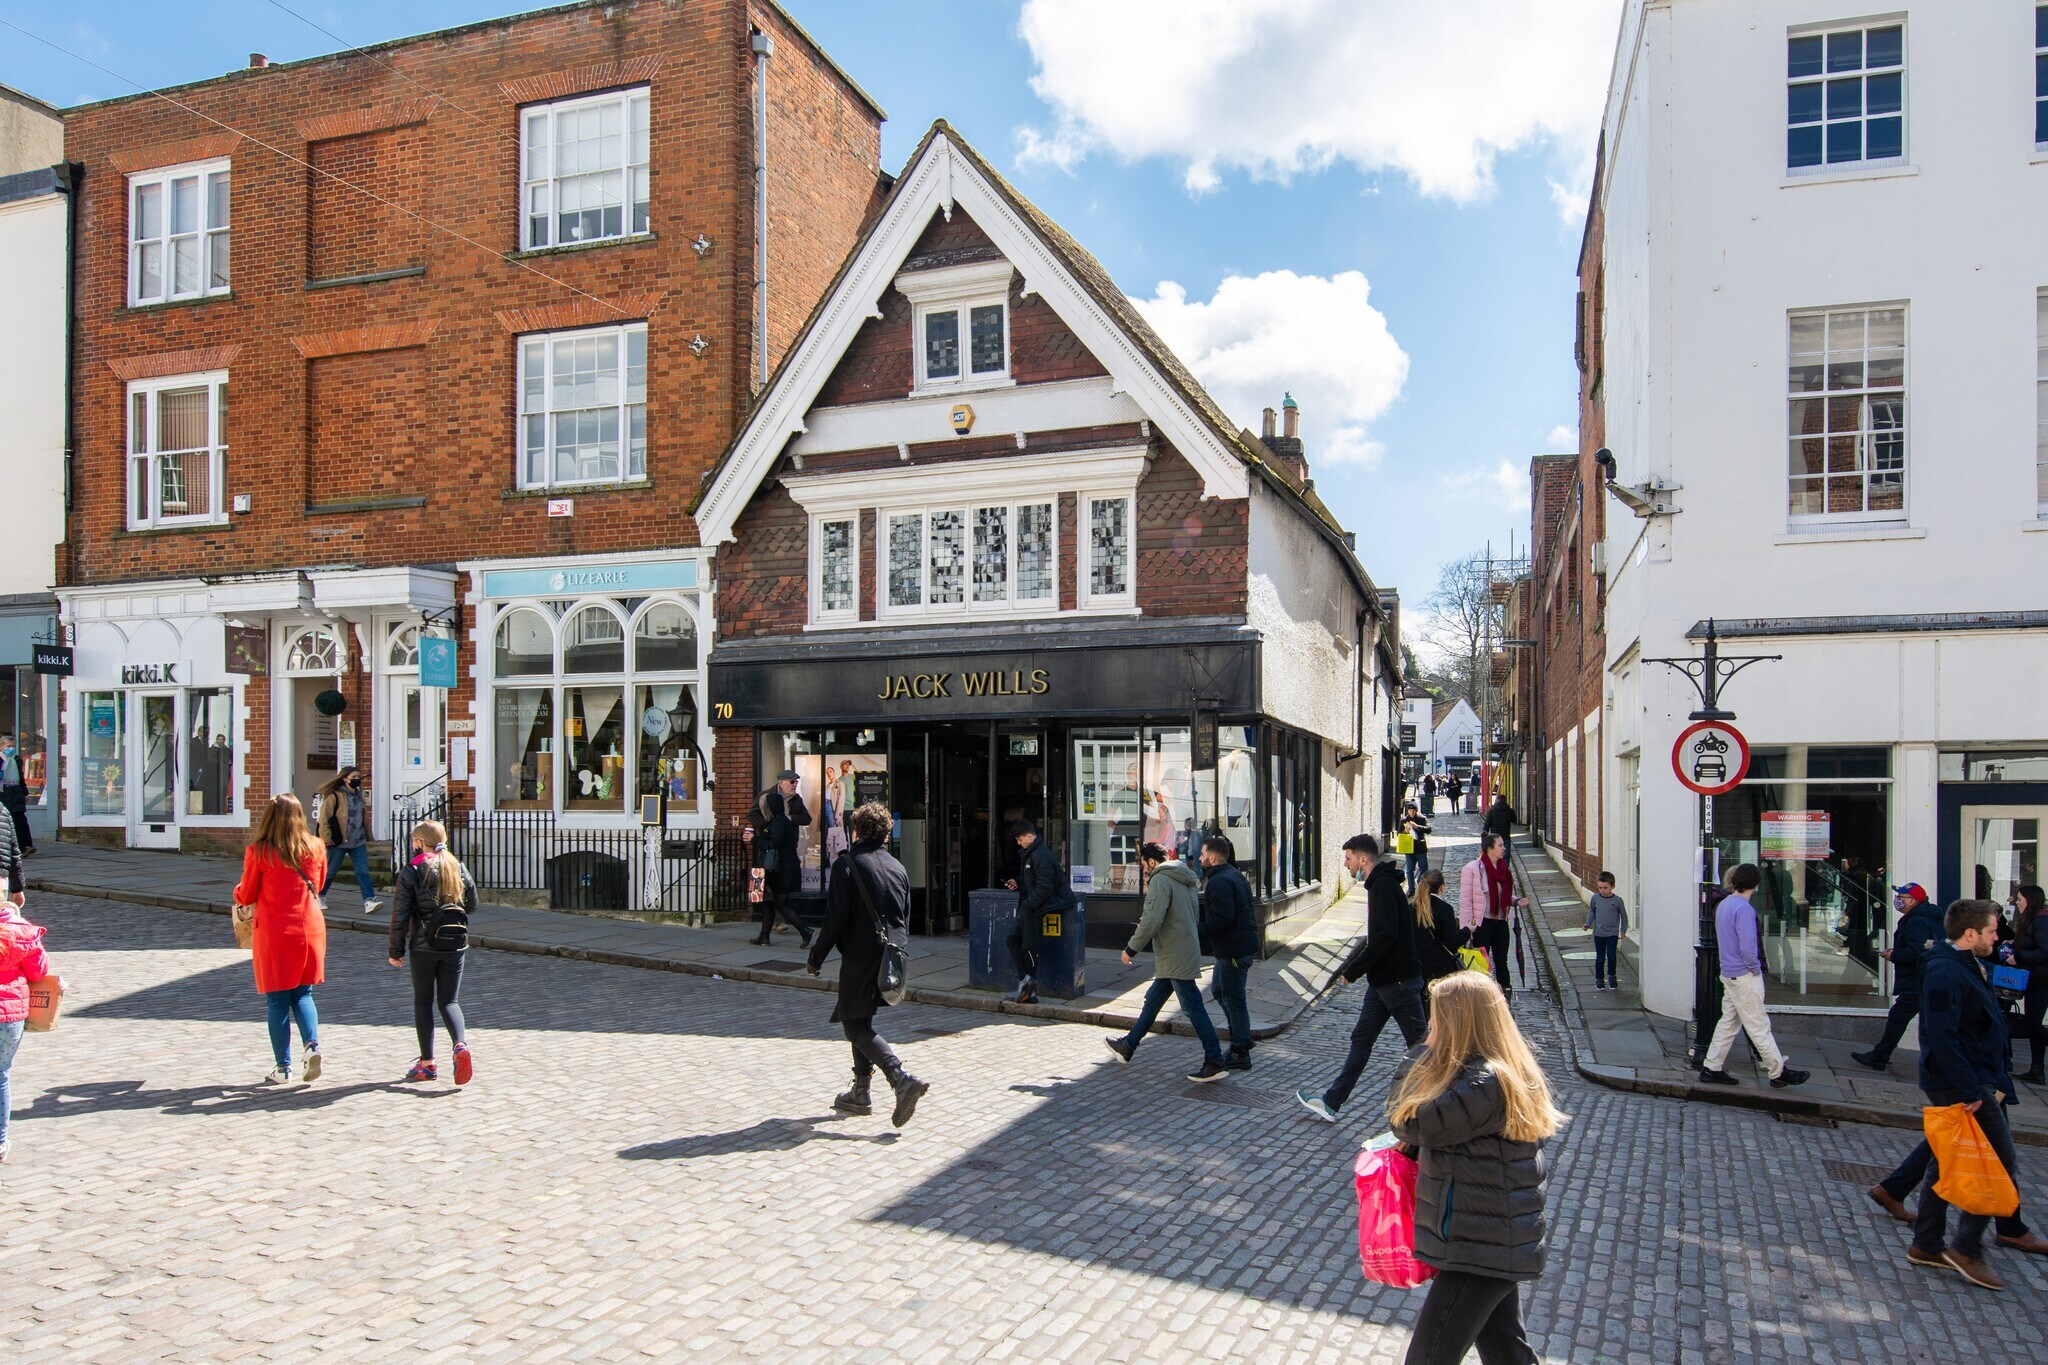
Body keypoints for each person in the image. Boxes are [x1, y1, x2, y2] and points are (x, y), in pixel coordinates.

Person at [1390, 970, 1565, 1365]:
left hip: (1482, 1245)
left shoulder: (1485, 1081)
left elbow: (1410, 1122)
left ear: (1458, 1022)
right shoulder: (1492, 1071)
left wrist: (1421, 1054)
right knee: (1507, 1351)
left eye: (1437, 1017)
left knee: (1429, 1357)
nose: (1430, 1024)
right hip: (1491, 1240)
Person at [1905, 899, 2038, 1291]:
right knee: (1999, 1161)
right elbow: (1941, 1036)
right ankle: (1965, 1248)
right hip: (1961, 1082)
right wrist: (1970, 1090)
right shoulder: (1946, 969)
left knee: (1944, 1163)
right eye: (1993, 931)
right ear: (1970, 934)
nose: (1998, 937)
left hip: (1973, 1077)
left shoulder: (1961, 962)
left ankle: (1926, 1244)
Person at [806, 801, 928, 1127]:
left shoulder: (848, 865)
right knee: (860, 1019)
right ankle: (860, 1092)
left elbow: (833, 920)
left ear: (855, 830)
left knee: (855, 1026)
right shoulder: (898, 868)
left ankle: (901, 1078)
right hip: (891, 959)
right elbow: (904, 918)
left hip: (860, 958)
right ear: (887, 833)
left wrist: (816, 957)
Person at [1296, 834, 1426, 1121]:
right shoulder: (1381, 885)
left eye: (1348, 858)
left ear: (1363, 859)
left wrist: (1353, 970)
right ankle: (1331, 1101)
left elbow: (1385, 937)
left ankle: (1446, 1106)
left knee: (1422, 1049)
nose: (1345, 864)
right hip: (1383, 984)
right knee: (1361, 1039)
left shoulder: (1381, 886)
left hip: (1398, 983)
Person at [1104, 842, 1227, 1082]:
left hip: (1174, 954)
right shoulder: (1186, 879)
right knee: (1153, 1001)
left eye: (1144, 866)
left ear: (1151, 862)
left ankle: (1215, 1060)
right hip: (1182, 950)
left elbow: (1151, 920)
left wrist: (1131, 948)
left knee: (1193, 1007)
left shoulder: (1161, 880)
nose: (1145, 871)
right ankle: (1128, 1046)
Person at [233, 794, 329, 1085]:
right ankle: (311, 1045)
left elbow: (246, 894)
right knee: (303, 993)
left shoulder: (259, 851)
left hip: (276, 932)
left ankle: (283, 1066)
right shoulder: (316, 847)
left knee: (277, 1001)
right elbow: (320, 884)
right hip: (310, 928)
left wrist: (237, 892)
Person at [1697, 863, 1809, 1089]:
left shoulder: (1725, 904)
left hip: (1729, 972)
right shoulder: (1744, 909)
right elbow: (1748, 947)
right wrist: (1755, 968)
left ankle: (1712, 1066)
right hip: (1744, 975)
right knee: (1758, 1025)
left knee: (1728, 1022)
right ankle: (1778, 1071)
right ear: (1755, 884)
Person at [387, 819, 478, 1086]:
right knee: (450, 1001)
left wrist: (396, 949)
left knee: (423, 1002)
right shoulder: (456, 865)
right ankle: (460, 1046)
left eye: (414, 840)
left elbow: (399, 916)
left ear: (419, 842)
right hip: (455, 943)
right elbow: (471, 905)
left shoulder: (411, 871)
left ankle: (427, 1063)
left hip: (424, 944)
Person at [1851, 882, 1945, 1071]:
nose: (1897, 901)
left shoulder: (1917, 921)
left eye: (1901, 898)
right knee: (1932, 1022)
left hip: (1919, 979)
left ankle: (1880, 1056)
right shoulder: (1926, 917)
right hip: (1928, 977)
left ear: (1913, 901)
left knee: (1900, 1016)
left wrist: (1893, 955)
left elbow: (1917, 951)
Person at [0, 806, 45, 1163]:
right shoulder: (18, 932)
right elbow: (13, 853)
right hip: (10, 1015)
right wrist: (17, 888)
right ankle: (1, 1139)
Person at [1197, 834, 1260, 1069]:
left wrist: (1197, 930)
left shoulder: (1220, 881)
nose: (1200, 857)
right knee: (1220, 991)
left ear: (1212, 857)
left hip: (1234, 949)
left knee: (1233, 997)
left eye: (1203, 854)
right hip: (1233, 947)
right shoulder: (1231, 875)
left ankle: (1240, 1049)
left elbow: (1222, 919)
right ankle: (1240, 1038)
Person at [1003, 818, 1076, 1005]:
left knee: (1027, 946)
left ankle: (1029, 986)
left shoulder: (1040, 855)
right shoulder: (1031, 853)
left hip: (1041, 905)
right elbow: (1033, 878)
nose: (1018, 843)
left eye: (1020, 840)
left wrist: (1026, 906)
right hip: (1032, 904)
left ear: (1029, 836)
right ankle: (1027, 983)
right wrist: (1018, 882)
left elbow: (1044, 887)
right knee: (1013, 940)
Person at [746, 770, 812, 949]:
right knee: (767, 898)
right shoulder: (767, 797)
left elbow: (806, 819)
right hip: (767, 858)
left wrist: (785, 820)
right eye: (792, 782)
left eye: (796, 782)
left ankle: (804, 931)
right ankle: (764, 935)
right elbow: (751, 815)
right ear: (781, 782)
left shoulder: (791, 805)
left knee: (777, 900)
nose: (794, 785)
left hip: (775, 860)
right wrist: (766, 826)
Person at [1458, 833, 1527, 996]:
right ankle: (1479, 996)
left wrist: (1516, 901)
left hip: (1501, 921)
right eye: (1500, 845)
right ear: (1489, 849)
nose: (1504, 848)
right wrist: (1467, 929)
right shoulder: (1473, 869)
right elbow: (1466, 901)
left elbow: (1504, 895)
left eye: (1503, 845)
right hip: (1482, 924)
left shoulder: (1504, 869)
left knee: (1502, 961)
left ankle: (1505, 997)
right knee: (1481, 962)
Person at [313, 767, 377, 914]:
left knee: (363, 872)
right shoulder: (334, 797)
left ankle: (369, 900)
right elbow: (324, 819)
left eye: (359, 777)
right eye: (354, 776)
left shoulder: (359, 796)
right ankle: (319, 895)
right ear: (344, 778)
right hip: (339, 841)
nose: (357, 779)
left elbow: (363, 818)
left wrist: (368, 835)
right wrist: (326, 839)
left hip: (357, 840)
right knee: (329, 872)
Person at [2011, 885, 2048, 1085]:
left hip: (2042, 979)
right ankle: (2036, 1069)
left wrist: (2018, 957)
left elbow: (2045, 951)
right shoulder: (2034, 920)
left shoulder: (2041, 921)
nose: (2017, 903)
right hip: (2035, 978)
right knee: (2033, 1024)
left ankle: (2037, 1069)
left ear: (2030, 900)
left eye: (2020, 899)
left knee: (2033, 1024)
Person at [1411, 870, 1470, 991]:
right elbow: (1452, 942)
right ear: (1442, 887)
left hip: (1416, 967)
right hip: (1439, 968)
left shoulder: (1411, 907)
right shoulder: (1445, 909)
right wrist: (1467, 930)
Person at [1585, 871, 1628, 991]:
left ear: (1612, 887)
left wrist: (1623, 930)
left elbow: (1624, 916)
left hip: (1612, 934)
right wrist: (1588, 924)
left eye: (1605, 888)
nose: (1602, 890)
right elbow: (1592, 911)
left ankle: (1612, 976)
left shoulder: (1618, 901)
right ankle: (1599, 979)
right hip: (1599, 933)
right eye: (1600, 888)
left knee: (1611, 955)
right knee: (1600, 957)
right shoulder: (1595, 898)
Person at [0, 734, 34, 856]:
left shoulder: (16, 759)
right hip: (3, 793)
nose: (11, 748)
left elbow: (20, 778)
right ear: (2, 747)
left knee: (20, 820)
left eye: (13, 746)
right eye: (8, 746)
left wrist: (25, 793)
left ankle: (25, 845)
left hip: (15, 792)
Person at [1400, 801, 1432, 892]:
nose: (1411, 812)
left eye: (1413, 810)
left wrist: (1417, 827)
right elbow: (1399, 833)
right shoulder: (1404, 820)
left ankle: (1420, 883)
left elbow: (1428, 829)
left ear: (1416, 810)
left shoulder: (1422, 819)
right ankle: (1411, 889)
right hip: (1409, 849)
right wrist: (1405, 831)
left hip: (1420, 849)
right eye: (1410, 810)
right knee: (1410, 870)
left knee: (1424, 869)